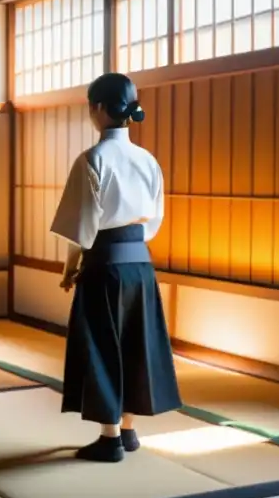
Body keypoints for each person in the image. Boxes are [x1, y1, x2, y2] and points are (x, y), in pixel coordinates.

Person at [49, 72, 182, 463]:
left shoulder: (93, 159)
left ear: (99, 108)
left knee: (102, 346)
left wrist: (69, 269)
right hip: (140, 265)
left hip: (104, 264)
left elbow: (81, 228)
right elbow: (152, 222)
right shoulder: (147, 160)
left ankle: (109, 439)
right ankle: (128, 430)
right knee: (135, 344)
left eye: (91, 106)